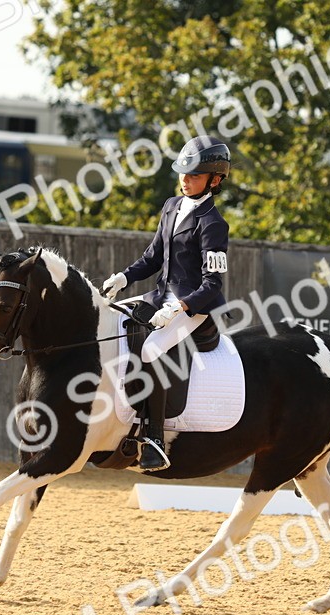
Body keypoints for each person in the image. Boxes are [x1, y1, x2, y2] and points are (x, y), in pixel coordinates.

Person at [101, 135, 231, 471]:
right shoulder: (171, 205)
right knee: (114, 319)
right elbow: (152, 257)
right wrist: (124, 278)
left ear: (214, 181)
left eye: (195, 176)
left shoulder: (214, 224)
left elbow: (212, 283)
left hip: (195, 306)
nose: (185, 180)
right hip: (159, 295)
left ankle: (155, 439)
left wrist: (181, 307)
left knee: (150, 350)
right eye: (183, 174)